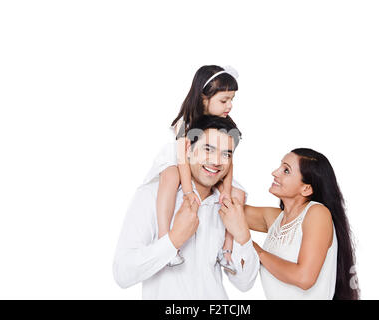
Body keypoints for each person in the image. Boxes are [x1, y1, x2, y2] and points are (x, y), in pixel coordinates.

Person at [112, 115, 259, 299]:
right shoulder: (152, 195)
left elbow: (245, 284)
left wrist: (243, 236)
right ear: (188, 148)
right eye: (208, 149)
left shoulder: (228, 207)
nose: (216, 161)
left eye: (226, 154)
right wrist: (173, 241)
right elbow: (122, 273)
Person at [220, 148, 360, 299]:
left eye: (286, 170)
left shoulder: (317, 213)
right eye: (280, 166)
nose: (275, 172)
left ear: (306, 188)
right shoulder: (276, 219)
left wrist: (256, 250)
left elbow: (304, 278)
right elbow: (227, 208)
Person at [148, 65, 245, 273]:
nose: (229, 106)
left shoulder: (226, 123)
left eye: (231, 100)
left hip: (209, 165)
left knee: (238, 194)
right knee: (170, 175)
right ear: (203, 98)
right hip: (182, 162)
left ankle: (226, 251)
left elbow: (229, 159)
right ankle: (165, 238)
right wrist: (189, 191)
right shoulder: (185, 122)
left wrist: (226, 190)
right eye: (224, 100)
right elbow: (182, 159)